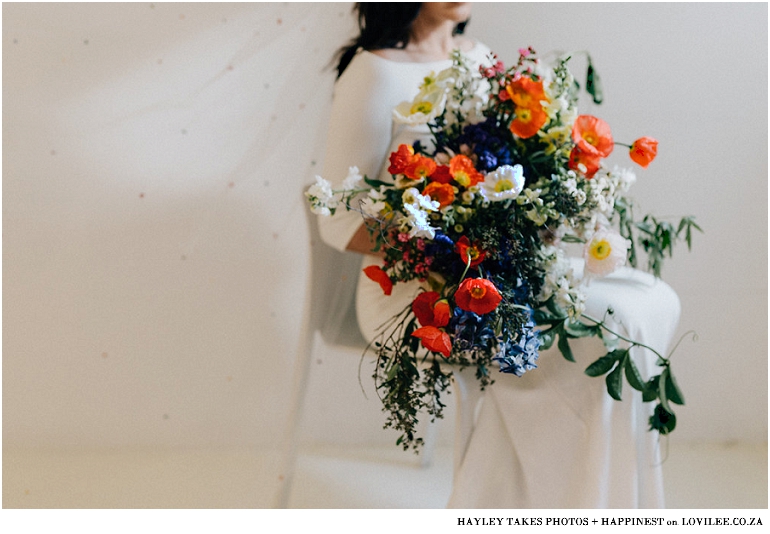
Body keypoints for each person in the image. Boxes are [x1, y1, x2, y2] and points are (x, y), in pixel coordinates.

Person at [317, 2, 677, 509]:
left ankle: (606, 504)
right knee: (604, 326)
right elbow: (339, 221)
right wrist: (449, 238)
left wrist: (536, 214)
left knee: (650, 301)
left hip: (497, 271)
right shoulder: (374, 71)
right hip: (421, 298)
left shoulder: (476, 56)